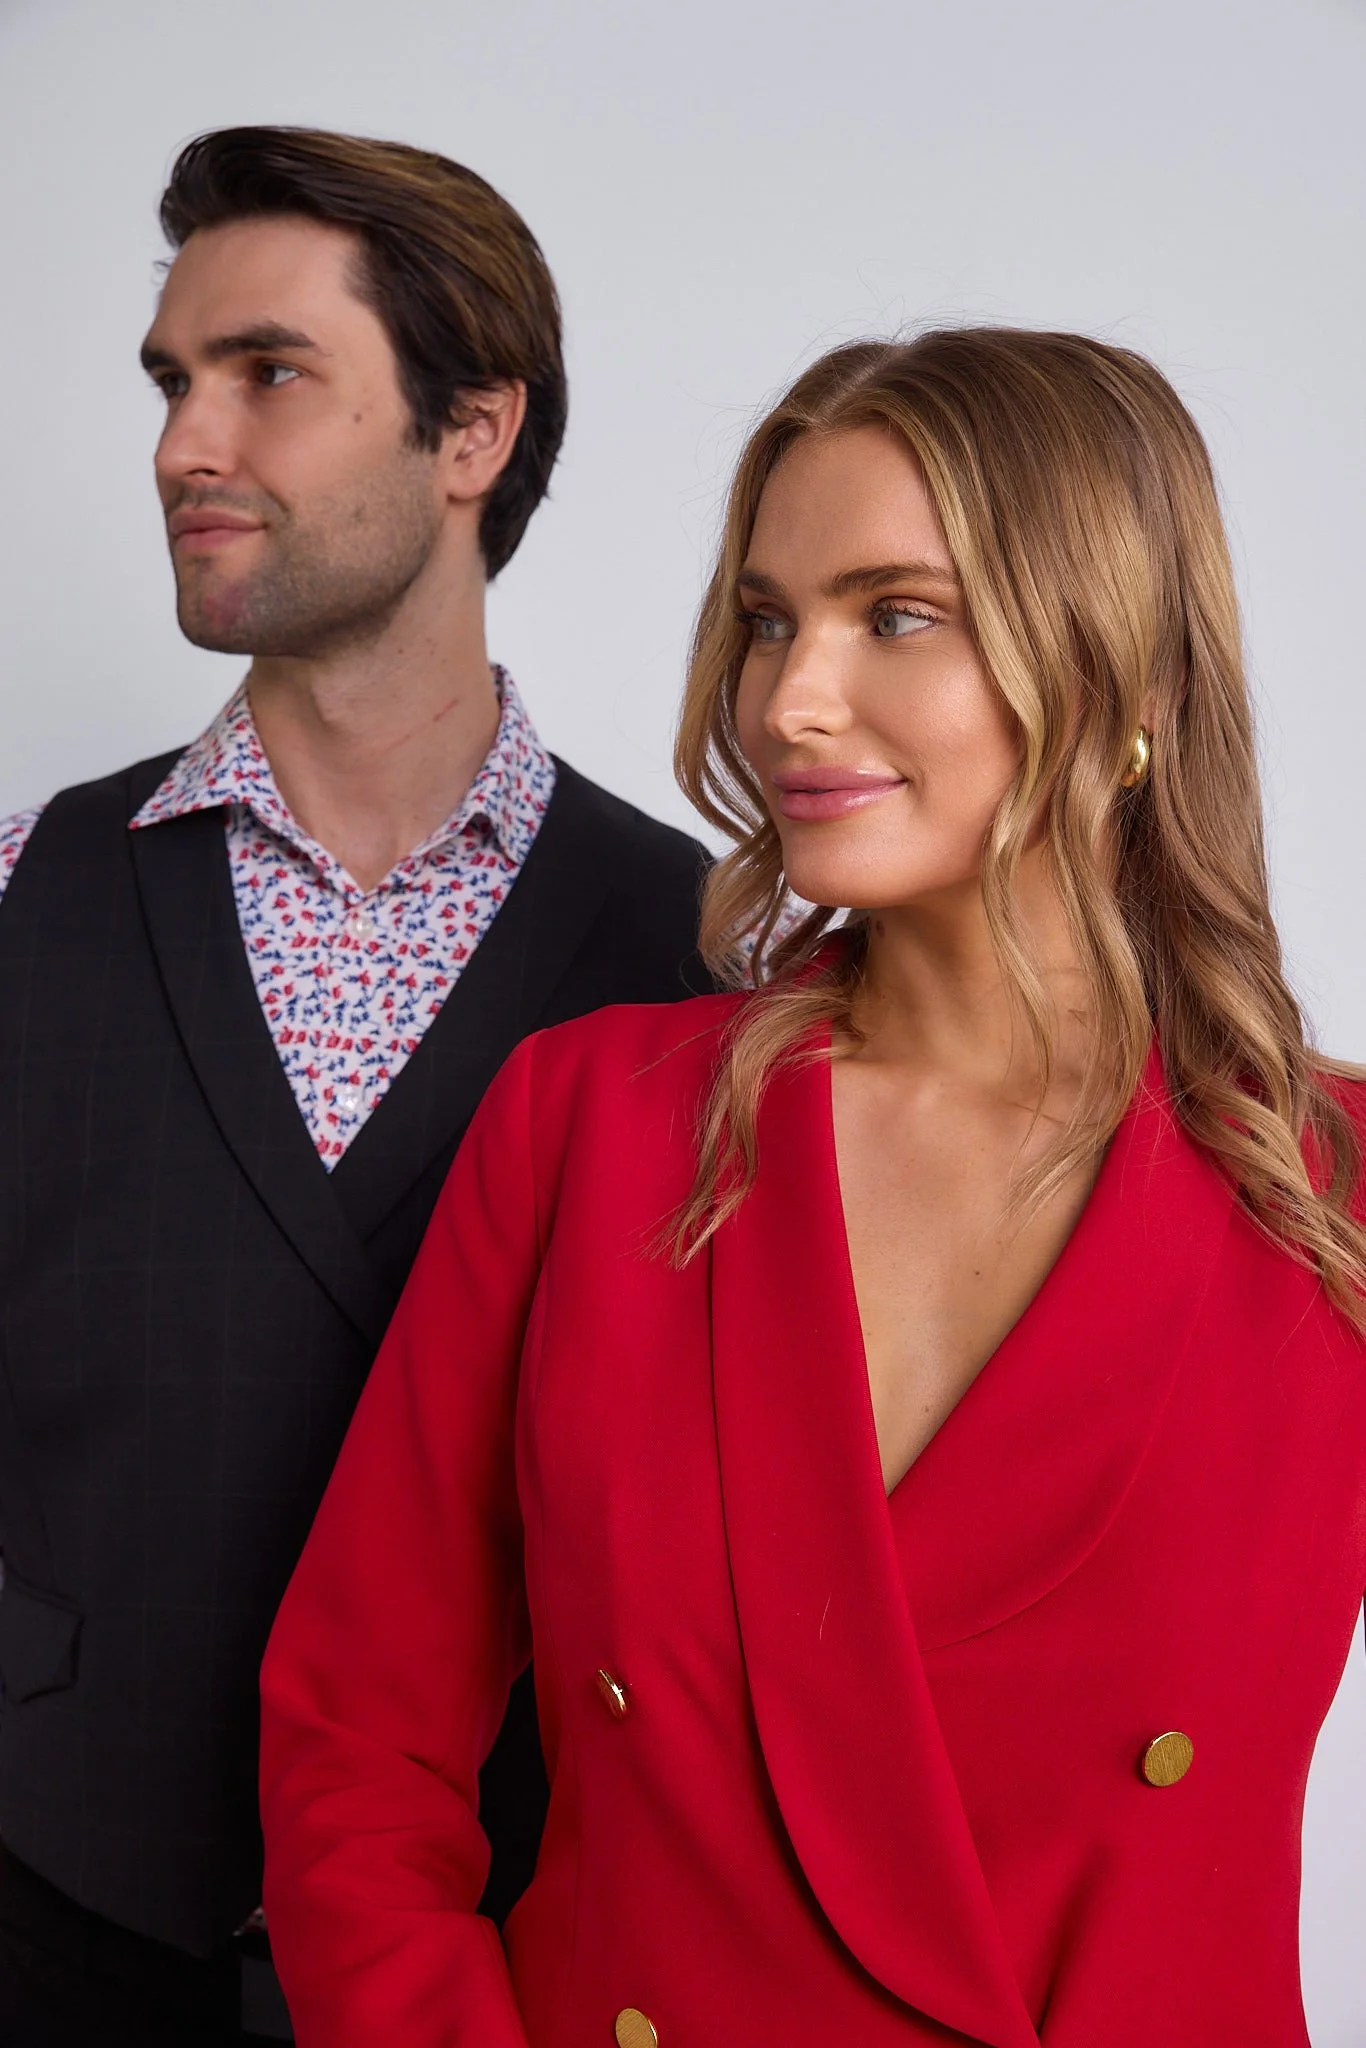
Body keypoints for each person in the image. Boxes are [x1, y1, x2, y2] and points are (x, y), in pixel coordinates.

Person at [258, 325, 1366, 2048]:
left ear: (1125, 677)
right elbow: (357, 1732)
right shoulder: (589, 1124)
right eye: (770, 617)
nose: (788, 700)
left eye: (894, 614)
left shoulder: (1333, 1191)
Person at [0, 126, 710, 2047]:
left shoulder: (719, 961)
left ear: (472, 432)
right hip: (49, 1918)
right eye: (171, 382)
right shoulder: (21, 890)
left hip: (518, 1961)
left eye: (269, 374)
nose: (182, 447)